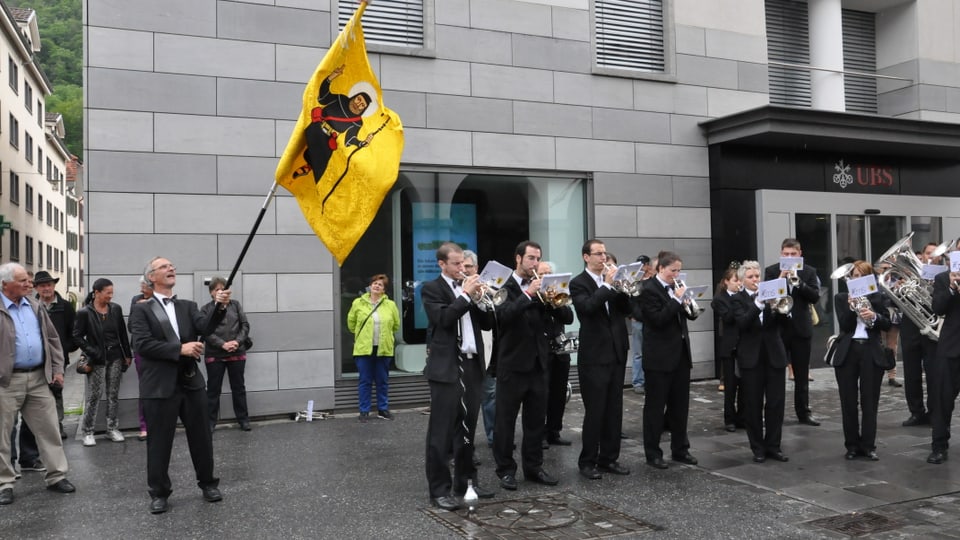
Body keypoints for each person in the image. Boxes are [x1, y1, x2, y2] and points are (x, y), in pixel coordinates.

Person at [128, 257, 230, 514]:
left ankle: (208, 484)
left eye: (172, 266)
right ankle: (159, 493)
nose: (171, 268)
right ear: (151, 277)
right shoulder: (141, 309)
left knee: (202, 438)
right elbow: (142, 345)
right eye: (164, 266)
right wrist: (180, 348)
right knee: (159, 442)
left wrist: (219, 307)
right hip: (159, 386)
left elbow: (205, 328)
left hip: (190, 382)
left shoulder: (188, 306)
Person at [421, 243, 495, 511]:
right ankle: (438, 490)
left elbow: (486, 324)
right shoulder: (432, 289)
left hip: (472, 365)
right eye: (456, 264)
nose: (461, 269)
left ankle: (465, 483)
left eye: (464, 264)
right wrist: (465, 295)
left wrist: (482, 301)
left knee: (466, 430)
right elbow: (443, 319)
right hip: (447, 368)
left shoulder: (469, 291)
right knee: (440, 433)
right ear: (442, 264)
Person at [0, 262, 76, 505]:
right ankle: (4, 482)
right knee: (1, 435)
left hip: (38, 379)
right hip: (6, 381)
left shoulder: (34, 305)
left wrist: (56, 369)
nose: (28, 284)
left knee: (49, 428)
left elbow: (52, 339)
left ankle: (56, 476)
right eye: (22, 280)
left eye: (28, 280)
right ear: (5, 284)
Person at [491, 241, 558, 491]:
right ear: (518, 259)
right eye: (530, 258)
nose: (534, 263)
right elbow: (502, 316)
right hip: (512, 364)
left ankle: (534, 467)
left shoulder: (542, 285)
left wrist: (553, 298)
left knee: (535, 422)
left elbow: (565, 317)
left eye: (537, 258)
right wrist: (528, 294)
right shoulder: (504, 285)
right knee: (505, 422)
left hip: (538, 364)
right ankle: (505, 470)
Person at [570, 239, 631, 480]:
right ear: (586, 257)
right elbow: (587, 309)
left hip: (616, 351)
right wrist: (606, 286)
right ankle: (587, 461)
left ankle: (609, 458)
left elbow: (627, 310)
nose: (603, 258)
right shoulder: (578, 283)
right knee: (595, 411)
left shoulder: (612, 281)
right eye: (598, 254)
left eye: (604, 253)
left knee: (614, 410)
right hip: (594, 356)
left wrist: (623, 289)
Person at [638, 251, 698, 469]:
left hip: (680, 354)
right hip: (659, 357)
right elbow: (657, 320)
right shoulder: (648, 289)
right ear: (660, 269)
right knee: (655, 407)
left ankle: (680, 448)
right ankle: (653, 452)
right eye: (673, 270)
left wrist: (689, 303)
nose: (677, 274)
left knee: (680, 406)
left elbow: (690, 315)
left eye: (679, 270)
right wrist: (675, 299)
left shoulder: (677, 287)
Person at [832, 261, 892, 461]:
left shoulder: (879, 297)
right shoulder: (841, 298)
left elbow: (887, 324)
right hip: (848, 351)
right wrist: (851, 307)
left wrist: (874, 316)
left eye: (861, 276)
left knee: (870, 401)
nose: (856, 279)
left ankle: (868, 446)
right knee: (848, 401)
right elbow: (845, 325)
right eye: (854, 276)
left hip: (870, 351)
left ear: (870, 279)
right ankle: (851, 446)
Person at [733, 260, 790, 463]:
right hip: (751, 358)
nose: (755, 280)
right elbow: (742, 323)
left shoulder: (771, 296)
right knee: (753, 405)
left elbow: (785, 323)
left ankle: (774, 446)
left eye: (757, 276)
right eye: (750, 277)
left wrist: (782, 308)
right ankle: (757, 447)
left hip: (774, 354)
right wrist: (758, 304)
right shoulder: (738, 299)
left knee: (776, 403)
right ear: (741, 281)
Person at [764, 238, 821, 426]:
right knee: (775, 373)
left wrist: (799, 283)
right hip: (778, 328)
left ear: (799, 254)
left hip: (800, 328)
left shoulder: (809, 271)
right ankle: (775, 413)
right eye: (786, 254)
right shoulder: (772, 271)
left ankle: (803, 412)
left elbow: (814, 296)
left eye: (793, 254)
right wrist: (781, 278)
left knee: (802, 374)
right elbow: (766, 297)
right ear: (781, 254)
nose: (789, 257)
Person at [74, 278, 133, 446]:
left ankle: (112, 429)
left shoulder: (115, 309)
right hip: (97, 359)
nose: (111, 296)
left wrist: (127, 355)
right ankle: (87, 431)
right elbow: (77, 336)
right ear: (97, 292)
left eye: (112, 293)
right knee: (94, 395)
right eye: (108, 293)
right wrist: (93, 351)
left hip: (115, 357)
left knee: (113, 394)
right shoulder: (85, 312)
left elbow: (122, 333)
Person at [202, 276, 254, 432]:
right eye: (217, 289)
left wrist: (237, 342)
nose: (220, 291)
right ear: (211, 292)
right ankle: (210, 422)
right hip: (215, 354)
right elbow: (205, 331)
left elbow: (244, 325)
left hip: (237, 351)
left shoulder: (236, 305)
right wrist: (222, 344)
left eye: (223, 288)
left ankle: (243, 420)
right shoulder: (206, 309)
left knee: (238, 388)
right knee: (213, 390)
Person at [346, 273, 400, 423]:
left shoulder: (390, 305)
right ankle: (364, 411)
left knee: (382, 380)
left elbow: (396, 325)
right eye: (374, 283)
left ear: (384, 290)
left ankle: (383, 409)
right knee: (365, 380)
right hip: (364, 349)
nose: (377, 285)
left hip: (383, 348)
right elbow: (351, 323)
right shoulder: (358, 303)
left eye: (380, 284)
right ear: (369, 286)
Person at [33, 271, 78, 440]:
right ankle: (41, 428)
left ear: (54, 286)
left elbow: (74, 331)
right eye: (43, 285)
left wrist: (65, 348)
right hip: (37, 359)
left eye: (49, 285)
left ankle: (58, 426)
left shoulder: (65, 306)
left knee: (56, 391)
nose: (46, 288)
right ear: (36, 287)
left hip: (58, 359)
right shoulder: (31, 305)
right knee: (38, 395)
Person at [927, 258, 960, 464]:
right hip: (951, 346)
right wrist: (951, 287)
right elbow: (938, 308)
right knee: (942, 399)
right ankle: (939, 446)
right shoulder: (942, 279)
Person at [540, 260, 575, 447]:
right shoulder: (535, 295)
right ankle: (540, 434)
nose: (546, 277)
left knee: (559, 393)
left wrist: (556, 304)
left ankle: (554, 430)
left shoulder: (559, 294)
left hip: (560, 350)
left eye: (549, 274)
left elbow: (569, 318)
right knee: (542, 394)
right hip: (542, 350)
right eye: (543, 273)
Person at [463, 250, 496, 448]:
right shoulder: (454, 289)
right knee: (465, 404)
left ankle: (494, 437)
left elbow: (489, 322)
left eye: (469, 266)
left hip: (488, 351)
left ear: (476, 269)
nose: (465, 270)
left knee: (490, 396)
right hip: (464, 356)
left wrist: (480, 298)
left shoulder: (485, 288)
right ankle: (466, 445)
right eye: (462, 266)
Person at [711, 265, 743, 432]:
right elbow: (729, 317)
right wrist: (738, 299)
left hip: (744, 345)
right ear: (726, 282)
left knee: (745, 384)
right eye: (735, 280)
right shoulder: (720, 299)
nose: (739, 283)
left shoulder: (743, 296)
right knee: (730, 385)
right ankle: (729, 419)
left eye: (739, 280)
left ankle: (743, 417)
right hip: (730, 346)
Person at [130, 277, 154, 440]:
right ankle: (144, 426)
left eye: (144, 286)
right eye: (141, 285)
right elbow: (131, 325)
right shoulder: (136, 301)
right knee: (145, 388)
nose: (141, 289)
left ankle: (161, 425)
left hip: (162, 350)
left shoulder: (162, 301)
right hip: (142, 351)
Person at [629, 255, 653, 394]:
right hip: (638, 321)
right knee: (638, 353)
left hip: (650, 321)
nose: (641, 267)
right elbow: (631, 302)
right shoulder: (634, 281)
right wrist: (634, 316)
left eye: (643, 264)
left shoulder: (652, 281)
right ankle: (638, 382)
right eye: (639, 264)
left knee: (650, 351)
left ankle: (649, 380)